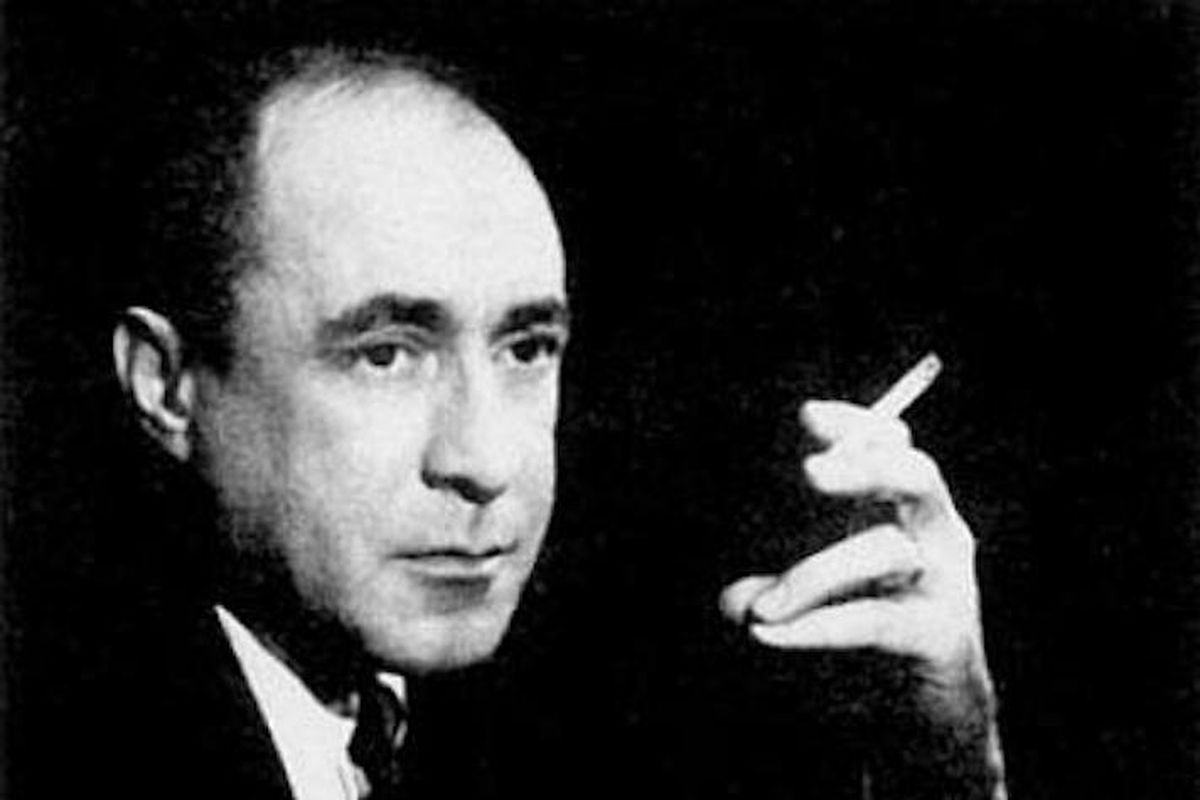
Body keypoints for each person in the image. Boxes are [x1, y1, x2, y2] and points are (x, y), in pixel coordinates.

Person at [93, 43, 1004, 799]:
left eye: (526, 349)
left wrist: (944, 772)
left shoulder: (584, 722)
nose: (485, 460)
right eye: (386, 355)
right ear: (167, 386)